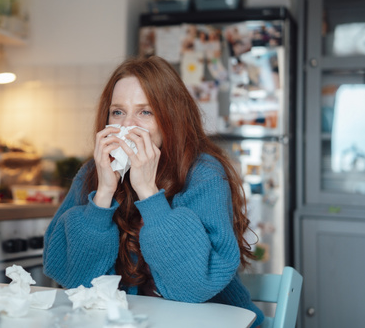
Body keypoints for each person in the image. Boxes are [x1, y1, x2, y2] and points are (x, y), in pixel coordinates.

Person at [43, 56, 264, 327]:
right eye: (118, 112)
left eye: (145, 112)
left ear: (170, 117)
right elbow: (72, 276)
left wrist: (148, 192)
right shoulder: (95, 171)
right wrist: (103, 195)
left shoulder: (203, 173)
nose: (127, 126)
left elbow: (194, 287)